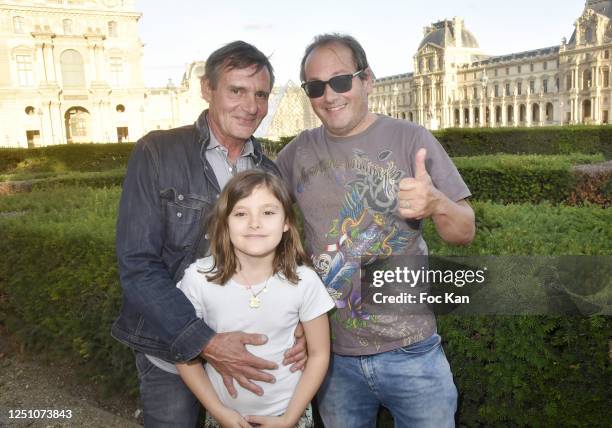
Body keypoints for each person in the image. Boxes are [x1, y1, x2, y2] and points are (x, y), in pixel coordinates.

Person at [276, 34, 476, 428]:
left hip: (413, 352)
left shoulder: (411, 139)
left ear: (367, 80)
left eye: (340, 81)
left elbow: (464, 231)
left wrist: (436, 203)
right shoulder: (297, 152)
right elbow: (254, 220)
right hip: (332, 359)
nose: (329, 95)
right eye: (315, 87)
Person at [111, 41, 307, 427]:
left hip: (252, 358)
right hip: (172, 355)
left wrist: (300, 325)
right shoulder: (158, 152)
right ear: (207, 89)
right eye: (237, 90)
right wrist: (206, 342)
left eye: (261, 94)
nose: (251, 106)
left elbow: (283, 261)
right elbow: (137, 264)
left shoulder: (272, 172)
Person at [176, 170, 334, 428]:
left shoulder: (304, 281)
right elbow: (183, 352)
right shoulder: (199, 279)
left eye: (268, 212)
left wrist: (289, 419)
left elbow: (318, 354)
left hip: (290, 416)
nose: (254, 223)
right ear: (224, 222)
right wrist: (219, 412)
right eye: (240, 214)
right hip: (224, 418)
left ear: (286, 222)